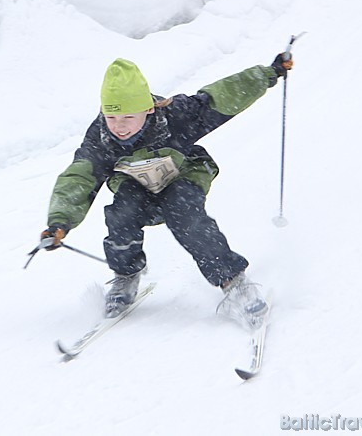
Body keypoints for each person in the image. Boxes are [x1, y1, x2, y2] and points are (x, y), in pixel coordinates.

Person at [40, 52, 293, 329]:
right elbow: (79, 177)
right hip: (135, 182)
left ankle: (233, 282)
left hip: (183, 172)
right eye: (112, 116)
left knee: (184, 214)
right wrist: (59, 222)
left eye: (127, 116)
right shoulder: (101, 139)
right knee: (121, 213)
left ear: (148, 109)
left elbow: (224, 94)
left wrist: (270, 73)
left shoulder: (177, 116)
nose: (119, 126)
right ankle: (126, 276)